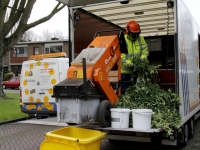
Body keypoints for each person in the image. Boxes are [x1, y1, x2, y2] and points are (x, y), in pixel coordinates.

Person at [121, 20, 149, 94]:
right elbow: (121, 55)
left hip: (138, 71)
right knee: (124, 91)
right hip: (125, 72)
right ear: (128, 32)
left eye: (137, 34)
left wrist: (142, 59)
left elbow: (145, 51)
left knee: (138, 90)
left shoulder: (141, 39)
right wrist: (129, 63)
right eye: (133, 34)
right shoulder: (123, 40)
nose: (136, 36)